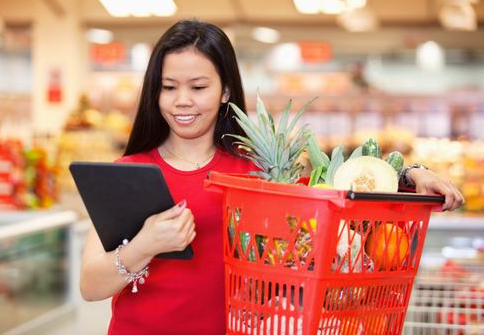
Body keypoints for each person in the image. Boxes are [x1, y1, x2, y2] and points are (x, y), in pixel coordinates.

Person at [79, 19, 465, 335]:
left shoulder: (258, 174)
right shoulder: (128, 173)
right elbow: (90, 285)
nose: (182, 100)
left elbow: (343, 188)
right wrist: (145, 244)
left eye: (198, 87)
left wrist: (410, 173)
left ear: (226, 90)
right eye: (168, 88)